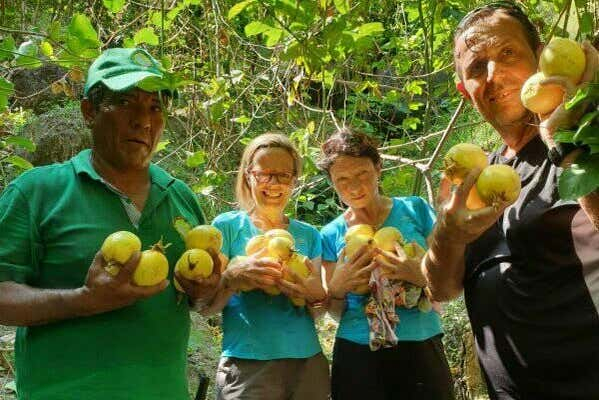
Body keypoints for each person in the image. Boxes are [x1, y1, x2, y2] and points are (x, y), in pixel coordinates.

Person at [0, 48, 220, 399]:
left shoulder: (181, 197)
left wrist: (205, 291)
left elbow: (203, 304)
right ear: (89, 111)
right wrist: (82, 300)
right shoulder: (36, 192)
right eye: (126, 103)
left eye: (155, 107)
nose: (143, 120)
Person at [422, 2, 599, 399]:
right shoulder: (478, 178)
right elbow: (441, 289)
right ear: (464, 90)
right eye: (475, 68)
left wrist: (569, 145)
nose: (493, 75)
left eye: (507, 54)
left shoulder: (586, 134)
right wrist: (448, 237)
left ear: (539, 57)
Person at [318, 127, 454, 400]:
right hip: (358, 351)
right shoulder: (330, 234)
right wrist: (337, 287)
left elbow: (449, 283)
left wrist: (421, 274)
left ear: (378, 169)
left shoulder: (415, 209)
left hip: (421, 343)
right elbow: (334, 310)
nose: (354, 187)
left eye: (362, 174)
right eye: (342, 180)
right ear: (332, 183)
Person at [203, 133, 330, 400]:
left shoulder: (309, 235)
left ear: (294, 181)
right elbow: (205, 307)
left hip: (308, 363)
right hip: (247, 364)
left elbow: (317, 310)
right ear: (248, 176)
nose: (274, 183)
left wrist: (310, 294)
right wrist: (230, 278)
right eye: (265, 174)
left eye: (284, 175)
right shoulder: (226, 227)